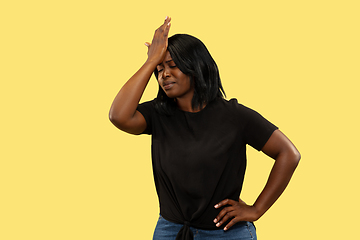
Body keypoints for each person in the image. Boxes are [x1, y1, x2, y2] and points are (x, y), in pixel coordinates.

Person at [109, 16, 301, 240]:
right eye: (159, 70)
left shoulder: (235, 116)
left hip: (226, 233)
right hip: (171, 230)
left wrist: (257, 209)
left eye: (172, 65)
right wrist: (151, 61)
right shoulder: (158, 114)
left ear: (197, 68)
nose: (164, 74)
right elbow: (118, 116)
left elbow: (289, 153)